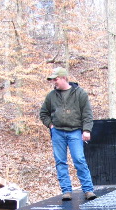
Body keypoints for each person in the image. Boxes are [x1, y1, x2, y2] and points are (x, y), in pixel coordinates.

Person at [39, 67, 97, 201]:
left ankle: (88, 190)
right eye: (53, 80)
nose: (54, 82)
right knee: (60, 162)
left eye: (56, 79)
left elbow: (87, 114)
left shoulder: (80, 93)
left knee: (79, 159)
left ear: (64, 78)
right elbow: (43, 113)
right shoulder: (51, 96)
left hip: (75, 132)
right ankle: (66, 191)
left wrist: (87, 130)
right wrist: (51, 125)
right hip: (58, 132)